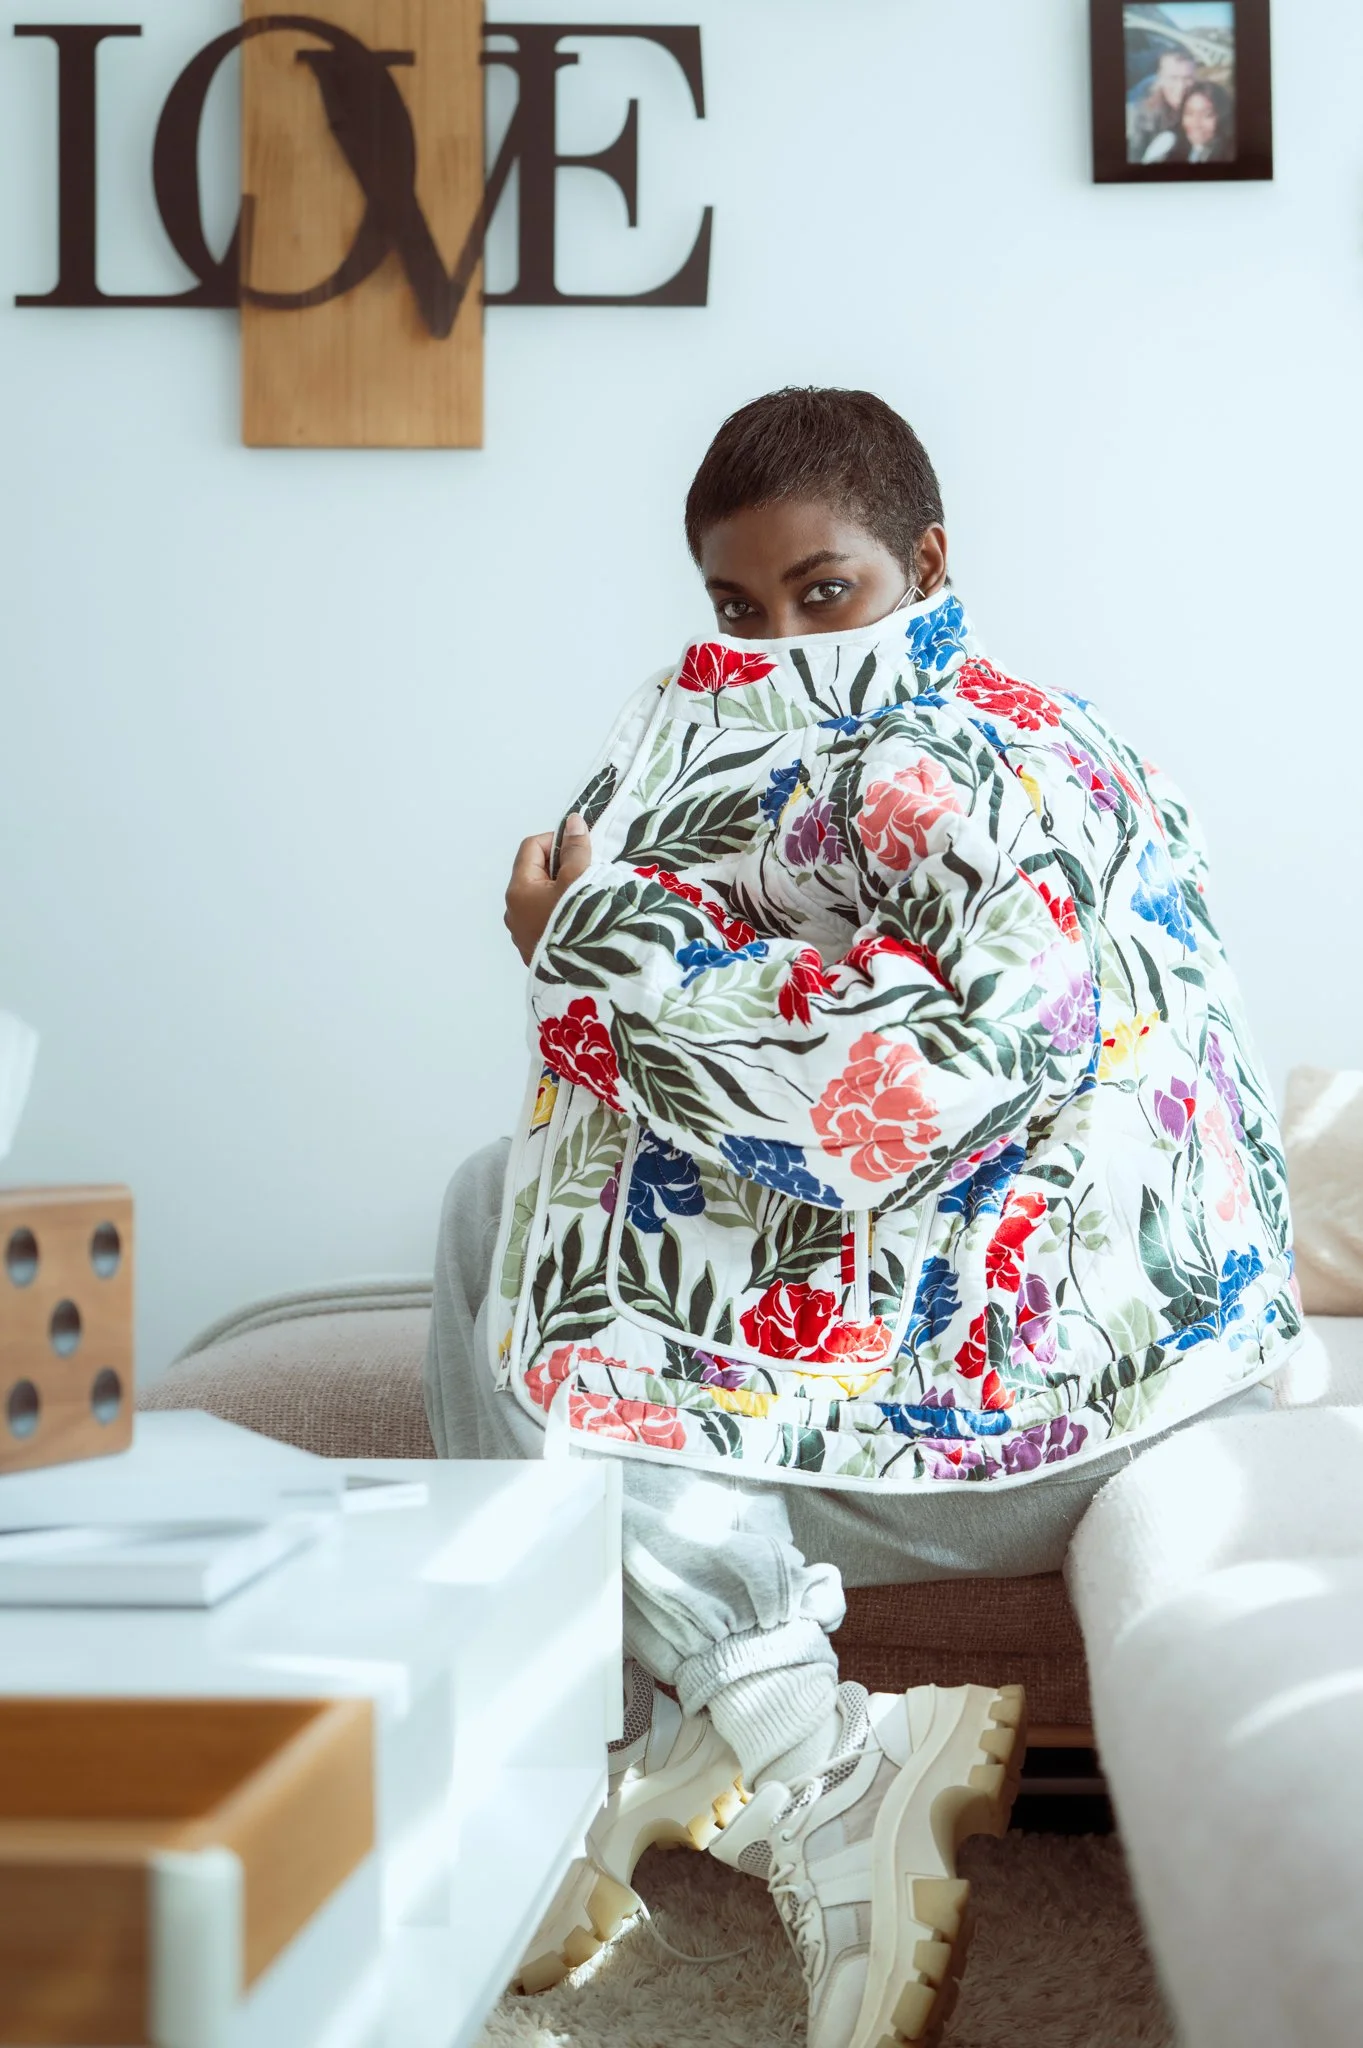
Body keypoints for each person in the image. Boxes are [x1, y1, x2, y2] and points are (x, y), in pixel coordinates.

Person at [424, 387, 1299, 2048]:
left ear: (925, 561)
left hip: (1056, 1415)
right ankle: (610, 1764)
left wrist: (584, 946)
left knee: (554, 1273)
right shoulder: (888, 744)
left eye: (822, 593)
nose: (781, 639)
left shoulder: (969, 766)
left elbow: (888, 1100)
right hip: (993, 1338)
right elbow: (803, 983)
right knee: (496, 1198)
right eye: (738, 611)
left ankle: (809, 1758)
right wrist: (619, 933)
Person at [1126, 45, 1197, 163]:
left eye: (1187, 78)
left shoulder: (1205, 109)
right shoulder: (1139, 116)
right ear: (1160, 78)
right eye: (1173, 78)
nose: (1181, 87)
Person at [1143, 78, 1236, 165]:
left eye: (1207, 115)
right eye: (1189, 113)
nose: (1196, 123)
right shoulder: (1169, 146)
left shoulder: (1230, 155)